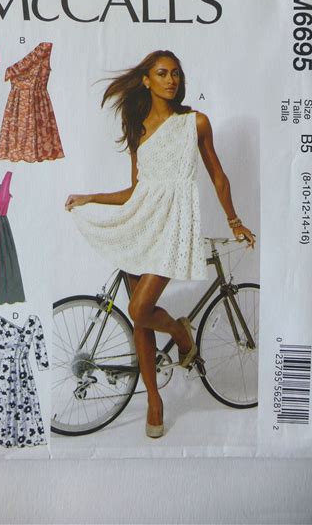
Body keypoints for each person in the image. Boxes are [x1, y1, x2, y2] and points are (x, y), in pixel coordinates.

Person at [65, 50, 255, 438]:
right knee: (141, 317)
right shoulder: (137, 127)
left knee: (139, 308)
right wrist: (92, 197)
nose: (171, 80)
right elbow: (138, 190)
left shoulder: (195, 122)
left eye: (176, 74)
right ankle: (155, 399)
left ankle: (182, 335)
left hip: (173, 226)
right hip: (140, 222)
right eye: (162, 73)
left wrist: (234, 220)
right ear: (147, 80)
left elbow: (218, 176)